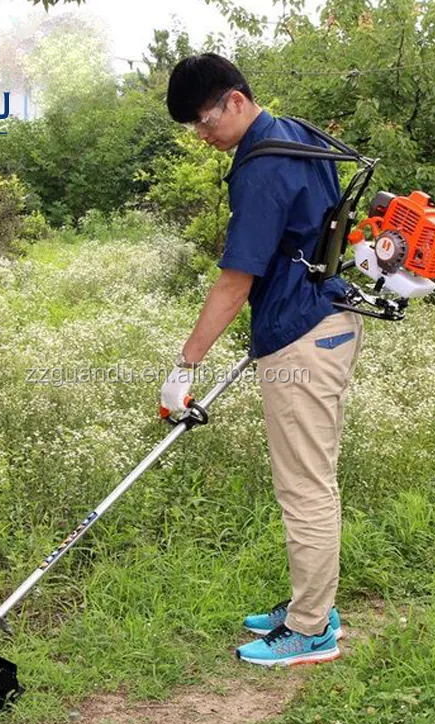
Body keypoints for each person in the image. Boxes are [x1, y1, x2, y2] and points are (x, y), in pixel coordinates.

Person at [159, 53, 364, 667]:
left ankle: (311, 631)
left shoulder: (262, 168)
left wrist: (185, 366)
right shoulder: (291, 134)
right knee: (305, 479)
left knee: (305, 486)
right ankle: (311, 603)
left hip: (304, 331)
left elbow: (235, 279)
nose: (202, 135)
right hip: (315, 318)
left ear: (237, 102)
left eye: (203, 120)